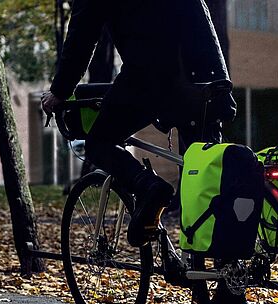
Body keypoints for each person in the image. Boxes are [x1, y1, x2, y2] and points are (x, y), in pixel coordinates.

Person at [42, 0, 235, 247]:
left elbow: (82, 36)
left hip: (152, 77)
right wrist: (219, 83)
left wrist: (59, 91)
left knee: (100, 142)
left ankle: (148, 187)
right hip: (208, 80)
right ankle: (227, 272)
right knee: (205, 176)